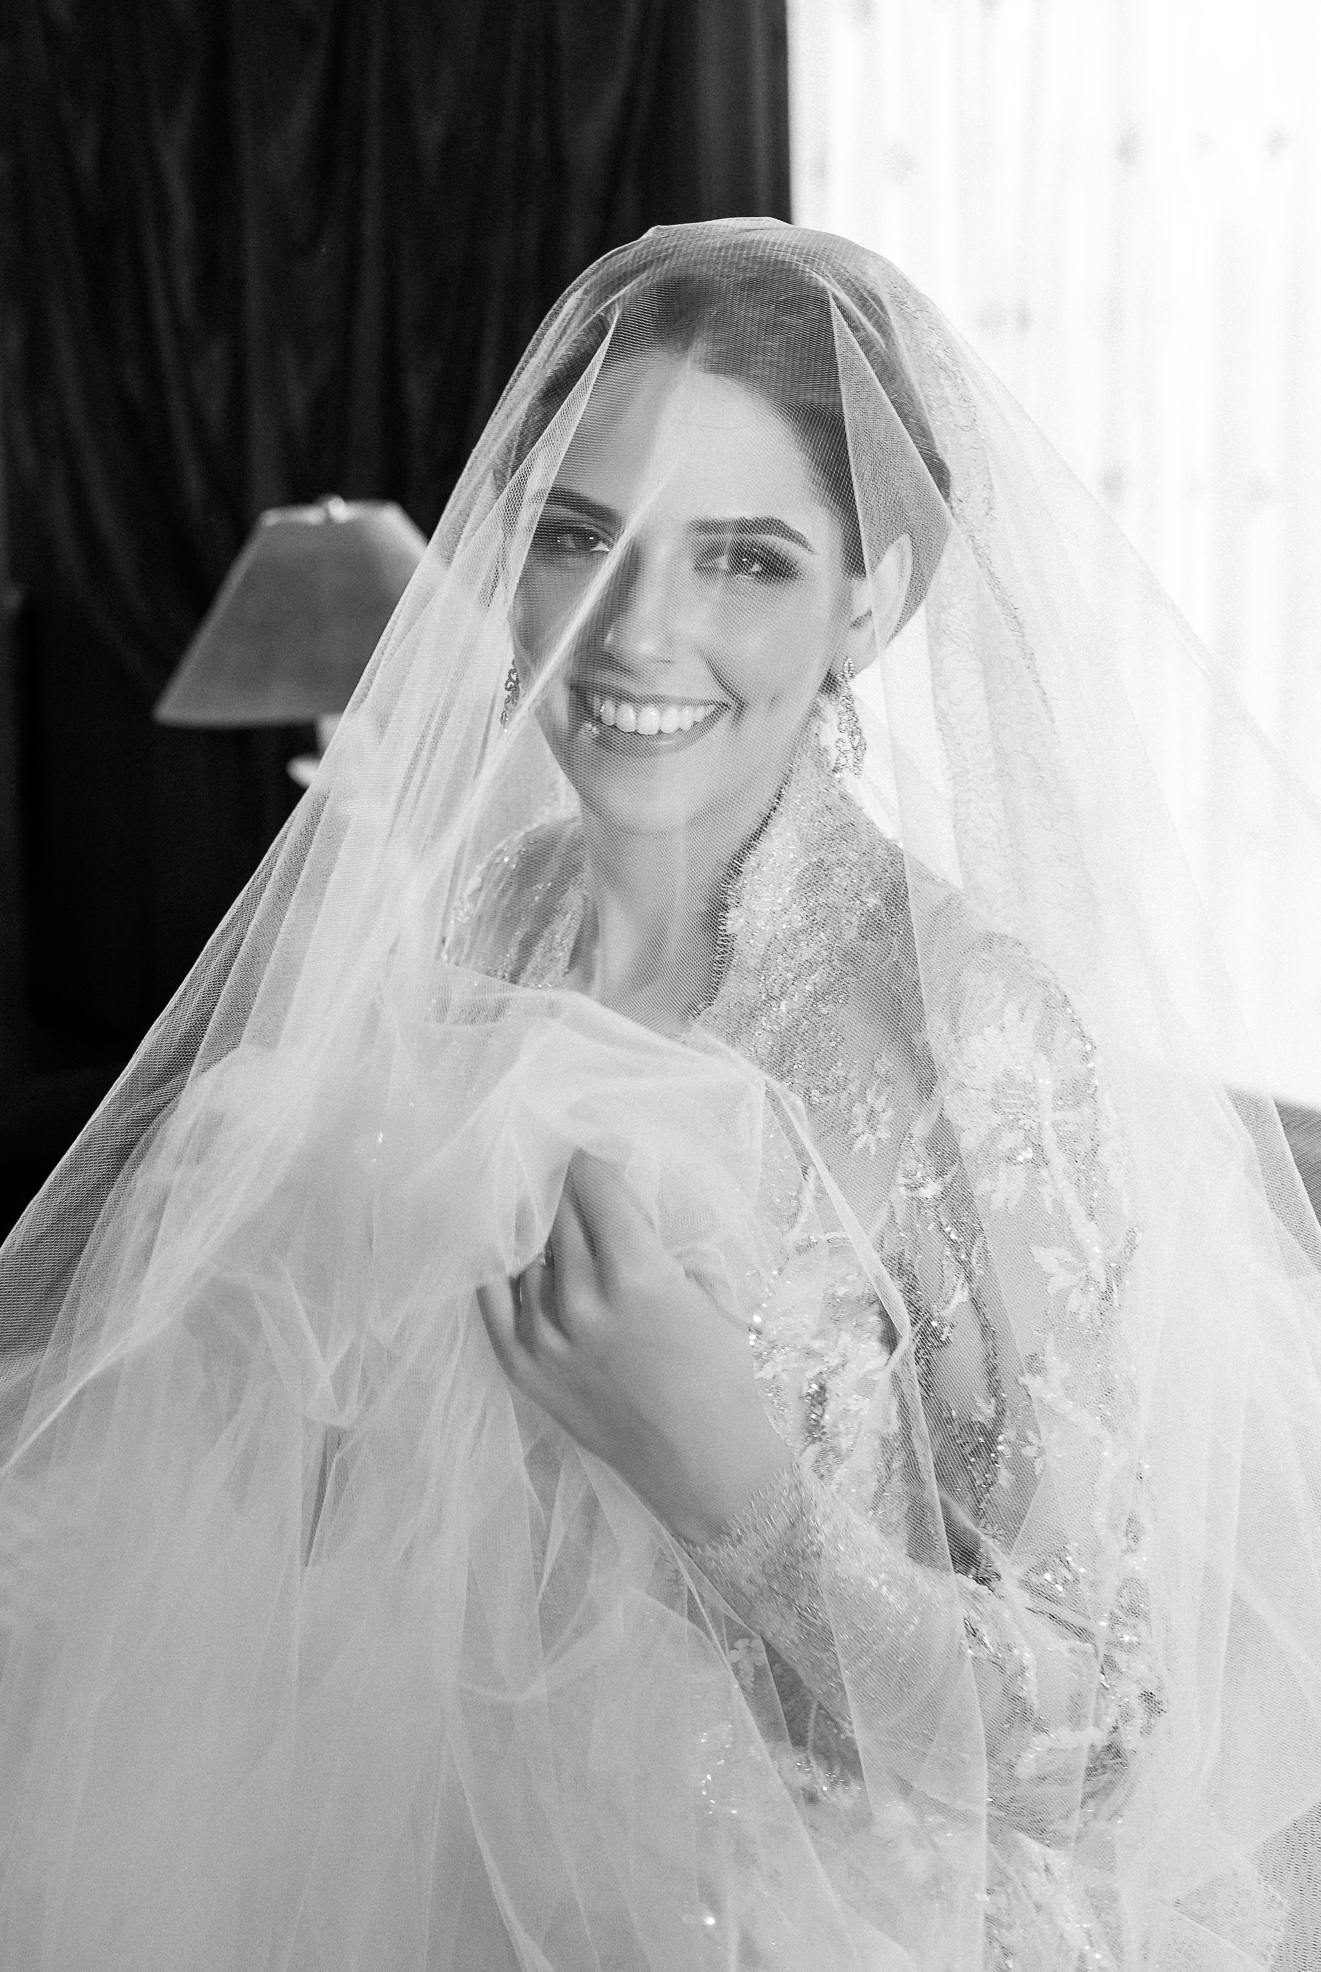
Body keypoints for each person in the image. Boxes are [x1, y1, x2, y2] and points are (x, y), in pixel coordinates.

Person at [1, 221, 1319, 1970]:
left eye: (747, 561)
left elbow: (1097, 1743)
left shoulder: (965, 1033)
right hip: (447, 1872)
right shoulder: (489, 920)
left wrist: (733, 1486)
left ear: (872, 603)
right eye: (578, 536)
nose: (637, 630)